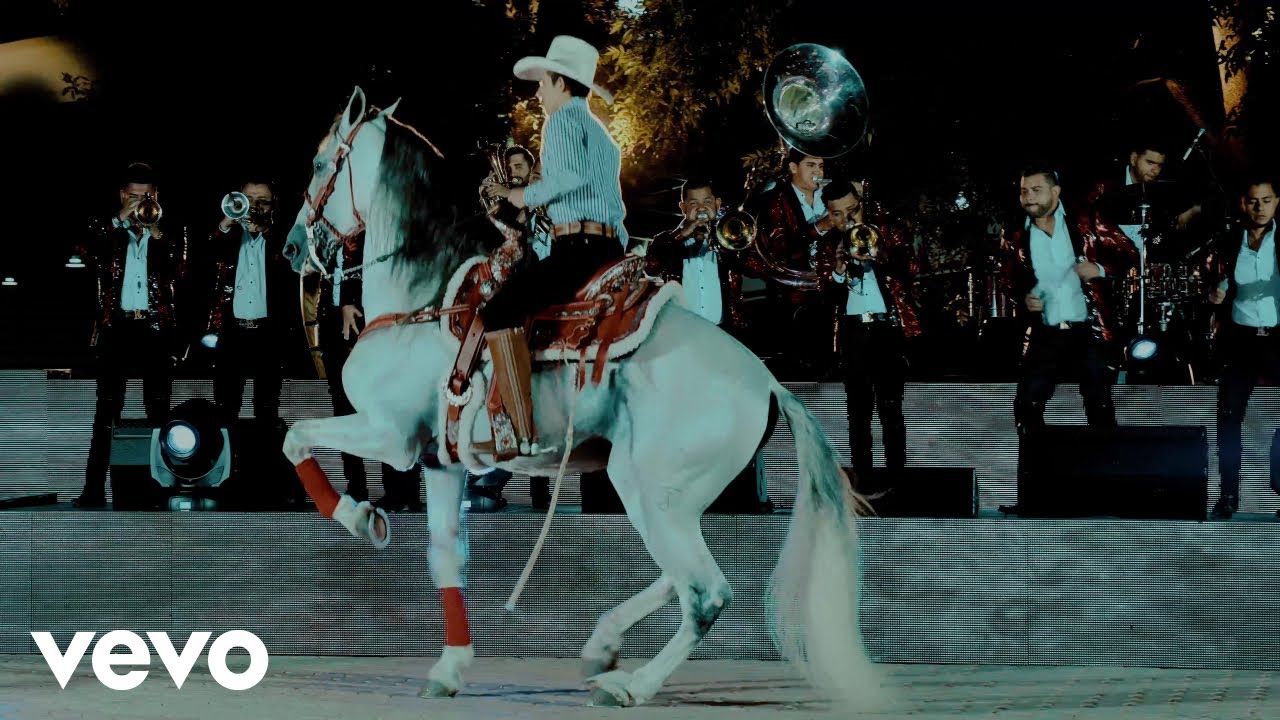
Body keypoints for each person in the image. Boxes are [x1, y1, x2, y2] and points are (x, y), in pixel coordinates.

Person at [478, 34, 627, 457]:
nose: (539, 91)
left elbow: (569, 179)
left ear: (563, 83)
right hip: (608, 247)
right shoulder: (601, 132)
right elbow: (607, 199)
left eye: (544, 82)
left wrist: (521, 196)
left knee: (498, 310)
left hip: (576, 249)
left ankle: (519, 431)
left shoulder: (561, 121)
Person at [72, 163, 187, 507]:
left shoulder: (169, 230)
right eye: (134, 196)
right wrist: (119, 221)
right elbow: (86, 251)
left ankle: (163, 488)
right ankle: (93, 490)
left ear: (157, 197)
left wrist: (156, 232)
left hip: (155, 328)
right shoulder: (106, 229)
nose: (141, 203)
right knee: (106, 411)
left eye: (147, 196)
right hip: (116, 327)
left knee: (158, 410)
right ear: (123, 196)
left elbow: (178, 269)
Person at [999, 163, 1138, 435]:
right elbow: (1009, 280)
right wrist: (1024, 297)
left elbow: (1129, 253)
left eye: (1036, 190)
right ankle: (1038, 469)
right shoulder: (1018, 234)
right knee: (1027, 404)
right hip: (1045, 330)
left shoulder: (1085, 221)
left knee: (1099, 404)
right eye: (1024, 191)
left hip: (1089, 328)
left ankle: (1106, 466)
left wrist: (1098, 269)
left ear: (1055, 191)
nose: (1028, 197)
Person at [817, 178, 923, 481]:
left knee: (891, 409)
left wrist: (877, 253)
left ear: (861, 206)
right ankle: (863, 479)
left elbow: (911, 269)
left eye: (852, 210)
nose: (847, 219)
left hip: (886, 328)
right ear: (829, 214)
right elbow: (825, 297)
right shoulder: (828, 245)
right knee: (858, 412)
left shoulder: (886, 232)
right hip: (852, 333)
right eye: (838, 214)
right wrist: (838, 269)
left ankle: (897, 479)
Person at [1204, 174, 1279, 519]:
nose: (1260, 207)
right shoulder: (1228, 240)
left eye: (1266, 200)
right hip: (1241, 339)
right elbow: (1211, 280)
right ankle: (1228, 495)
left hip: (1278, 337)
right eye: (1253, 200)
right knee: (1229, 418)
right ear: (1243, 203)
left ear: (1276, 202)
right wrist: (1214, 295)